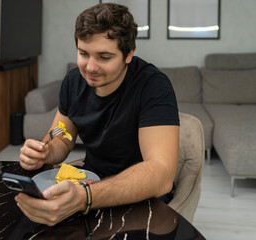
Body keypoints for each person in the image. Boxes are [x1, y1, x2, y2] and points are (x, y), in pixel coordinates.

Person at [16, 3, 180, 226]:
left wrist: (86, 197)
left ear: (128, 54)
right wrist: (44, 151)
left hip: (142, 198)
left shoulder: (153, 87)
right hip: (89, 185)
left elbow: (161, 175)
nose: (90, 67)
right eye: (84, 53)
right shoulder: (73, 83)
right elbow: (62, 135)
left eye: (104, 57)